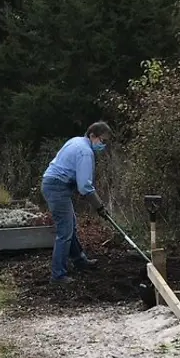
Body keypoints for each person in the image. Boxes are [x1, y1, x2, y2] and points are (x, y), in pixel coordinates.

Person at [41, 121, 110, 284]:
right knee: (64, 232)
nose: (103, 145)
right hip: (57, 187)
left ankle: (80, 260)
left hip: (53, 184)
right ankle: (58, 275)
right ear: (92, 136)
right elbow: (85, 186)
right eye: (102, 140)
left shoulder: (76, 141)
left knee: (70, 225)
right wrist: (99, 206)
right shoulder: (85, 151)